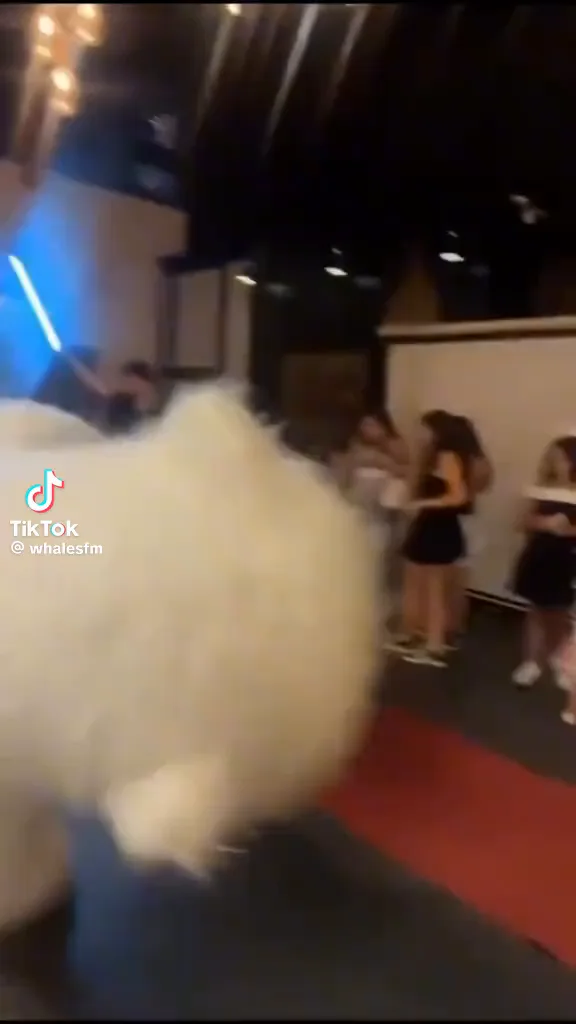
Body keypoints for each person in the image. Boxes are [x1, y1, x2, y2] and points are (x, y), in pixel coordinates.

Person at [390, 409, 469, 667]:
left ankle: (435, 646)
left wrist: (423, 504)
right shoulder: (427, 458)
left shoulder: (447, 458)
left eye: (424, 428)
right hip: (426, 526)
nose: (419, 433)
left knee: (435, 590)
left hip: (441, 527)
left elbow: (458, 496)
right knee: (418, 584)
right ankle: (415, 635)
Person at [510, 435, 576, 688]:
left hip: (567, 560)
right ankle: (530, 662)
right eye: (552, 458)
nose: (554, 464)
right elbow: (520, 521)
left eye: (560, 459)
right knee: (536, 611)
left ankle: (558, 659)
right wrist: (545, 523)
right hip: (539, 556)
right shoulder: (540, 489)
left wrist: (567, 530)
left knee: (558, 613)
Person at [347, 411, 410, 622]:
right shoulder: (355, 447)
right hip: (359, 512)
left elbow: (407, 473)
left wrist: (384, 459)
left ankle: (385, 610)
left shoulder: (396, 446)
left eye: (373, 424)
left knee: (383, 564)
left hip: (384, 515)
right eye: (365, 424)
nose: (368, 430)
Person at [447, 415, 494, 643]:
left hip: (460, 521)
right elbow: (482, 488)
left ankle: (450, 628)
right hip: (472, 521)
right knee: (459, 580)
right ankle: (455, 627)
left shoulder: (456, 462)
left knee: (452, 579)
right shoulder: (480, 461)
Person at [63, 352, 158, 434]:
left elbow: (100, 387)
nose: (125, 381)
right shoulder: (145, 391)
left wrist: (71, 360)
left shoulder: (142, 389)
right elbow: (98, 386)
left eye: (128, 377)